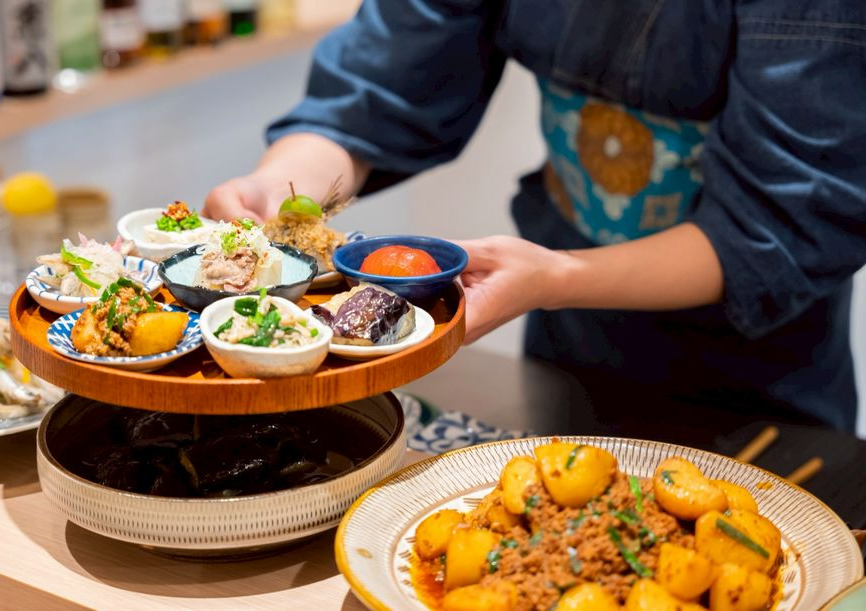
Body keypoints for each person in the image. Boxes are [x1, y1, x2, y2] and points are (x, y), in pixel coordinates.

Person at [204, 1, 866, 433]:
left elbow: (773, 223)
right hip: (567, 348)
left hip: (760, 383)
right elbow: (382, 85)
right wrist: (280, 191)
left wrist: (556, 276)